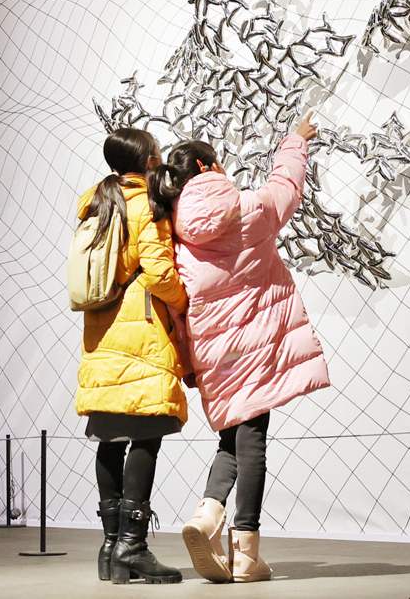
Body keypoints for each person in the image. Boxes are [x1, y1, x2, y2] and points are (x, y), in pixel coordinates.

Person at [153, 115, 329, 584]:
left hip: (214, 353)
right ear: (207, 166)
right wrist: (294, 141)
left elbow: (176, 304)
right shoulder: (250, 208)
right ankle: (245, 549)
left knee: (233, 436)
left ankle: (209, 514)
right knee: (254, 440)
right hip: (257, 345)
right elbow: (286, 187)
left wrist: (189, 363)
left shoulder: (175, 232)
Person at [75, 127, 189, 585]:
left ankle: (110, 547)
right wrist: (183, 302)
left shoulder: (96, 204)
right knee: (145, 433)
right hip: (140, 331)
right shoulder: (146, 206)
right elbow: (160, 272)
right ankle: (133, 546)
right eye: (156, 154)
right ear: (146, 161)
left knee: (109, 435)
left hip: (101, 329)